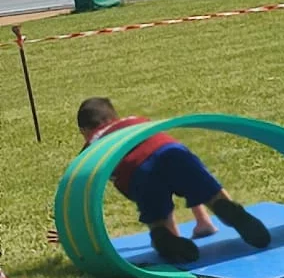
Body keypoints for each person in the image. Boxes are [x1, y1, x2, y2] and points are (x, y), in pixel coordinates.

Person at [75, 98, 270, 267]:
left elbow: (81, 188)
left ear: (85, 130)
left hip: (138, 172)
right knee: (206, 190)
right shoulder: (135, 120)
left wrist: (75, 229)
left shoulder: (91, 148)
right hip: (171, 151)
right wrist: (202, 221)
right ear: (114, 117)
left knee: (156, 214)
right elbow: (156, 145)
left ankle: (164, 236)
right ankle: (228, 208)